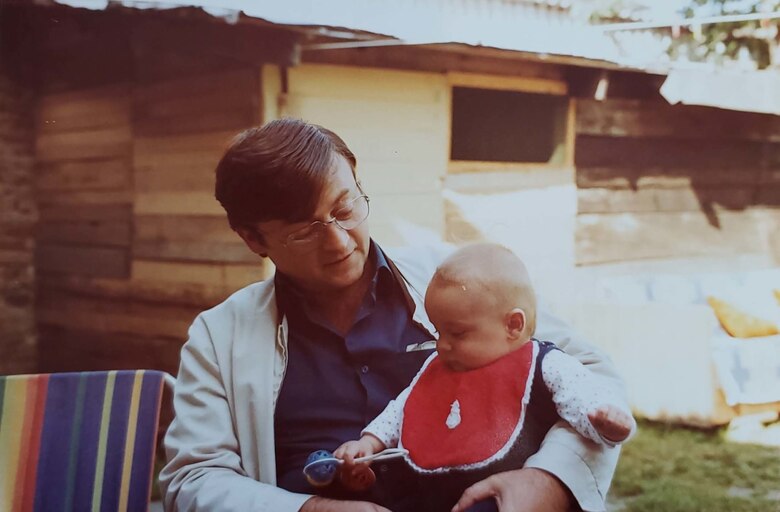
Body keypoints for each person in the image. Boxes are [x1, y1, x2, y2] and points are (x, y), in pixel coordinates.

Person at [159, 118, 629, 512]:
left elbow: (590, 375)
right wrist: (310, 509)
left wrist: (550, 480)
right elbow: (192, 479)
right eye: (304, 232)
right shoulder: (220, 336)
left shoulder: (458, 281)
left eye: (345, 208)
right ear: (254, 240)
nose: (339, 242)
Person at [335, 243, 635, 512]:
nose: (441, 345)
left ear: (513, 325)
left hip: (503, 499)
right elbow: (402, 410)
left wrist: (605, 422)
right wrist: (370, 442)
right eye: (438, 331)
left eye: (457, 333)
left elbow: (580, 395)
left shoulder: (544, 363)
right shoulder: (438, 369)